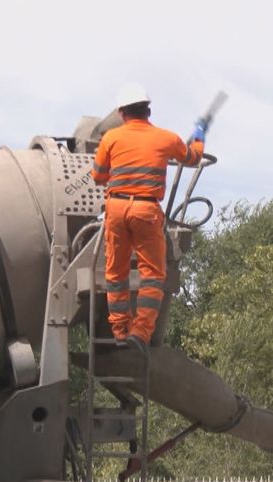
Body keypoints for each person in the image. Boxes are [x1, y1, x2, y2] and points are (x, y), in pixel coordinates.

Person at [91, 83, 206, 349]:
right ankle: (140, 333)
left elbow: (98, 177)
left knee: (115, 273)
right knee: (153, 275)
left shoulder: (111, 139)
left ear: (122, 113)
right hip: (146, 210)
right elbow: (193, 158)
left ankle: (120, 331)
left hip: (117, 210)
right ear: (148, 111)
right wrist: (199, 135)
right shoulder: (166, 139)